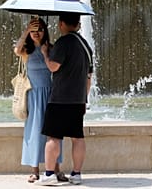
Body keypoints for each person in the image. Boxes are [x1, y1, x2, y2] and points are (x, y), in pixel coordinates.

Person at [34, 12, 93, 186]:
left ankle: (50, 174)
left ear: (61, 24)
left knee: (53, 137)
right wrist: (84, 99)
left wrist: (45, 53)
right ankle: (76, 174)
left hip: (60, 99)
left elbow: (53, 66)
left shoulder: (63, 42)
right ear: (78, 24)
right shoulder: (86, 46)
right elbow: (89, 77)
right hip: (78, 99)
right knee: (77, 137)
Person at [14, 17, 67, 183]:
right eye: (33, 30)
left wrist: (45, 53)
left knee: (53, 133)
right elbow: (16, 49)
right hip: (33, 94)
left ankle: (56, 168)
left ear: (45, 32)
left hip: (50, 94)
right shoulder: (25, 51)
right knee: (34, 131)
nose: (36, 33)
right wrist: (26, 31)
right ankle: (35, 170)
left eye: (40, 30)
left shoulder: (51, 49)